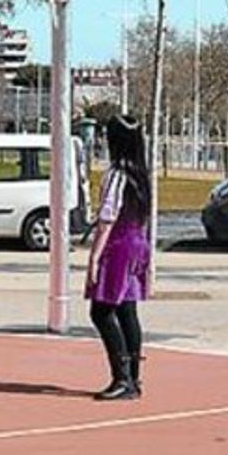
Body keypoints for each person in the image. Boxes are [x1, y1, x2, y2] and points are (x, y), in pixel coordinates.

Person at [85, 115, 152, 401]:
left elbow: (107, 218)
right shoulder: (141, 176)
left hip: (119, 246)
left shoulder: (116, 175)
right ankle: (134, 377)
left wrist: (94, 258)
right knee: (127, 309)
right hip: (138, 242)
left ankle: (122, 376)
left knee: (101, 311)